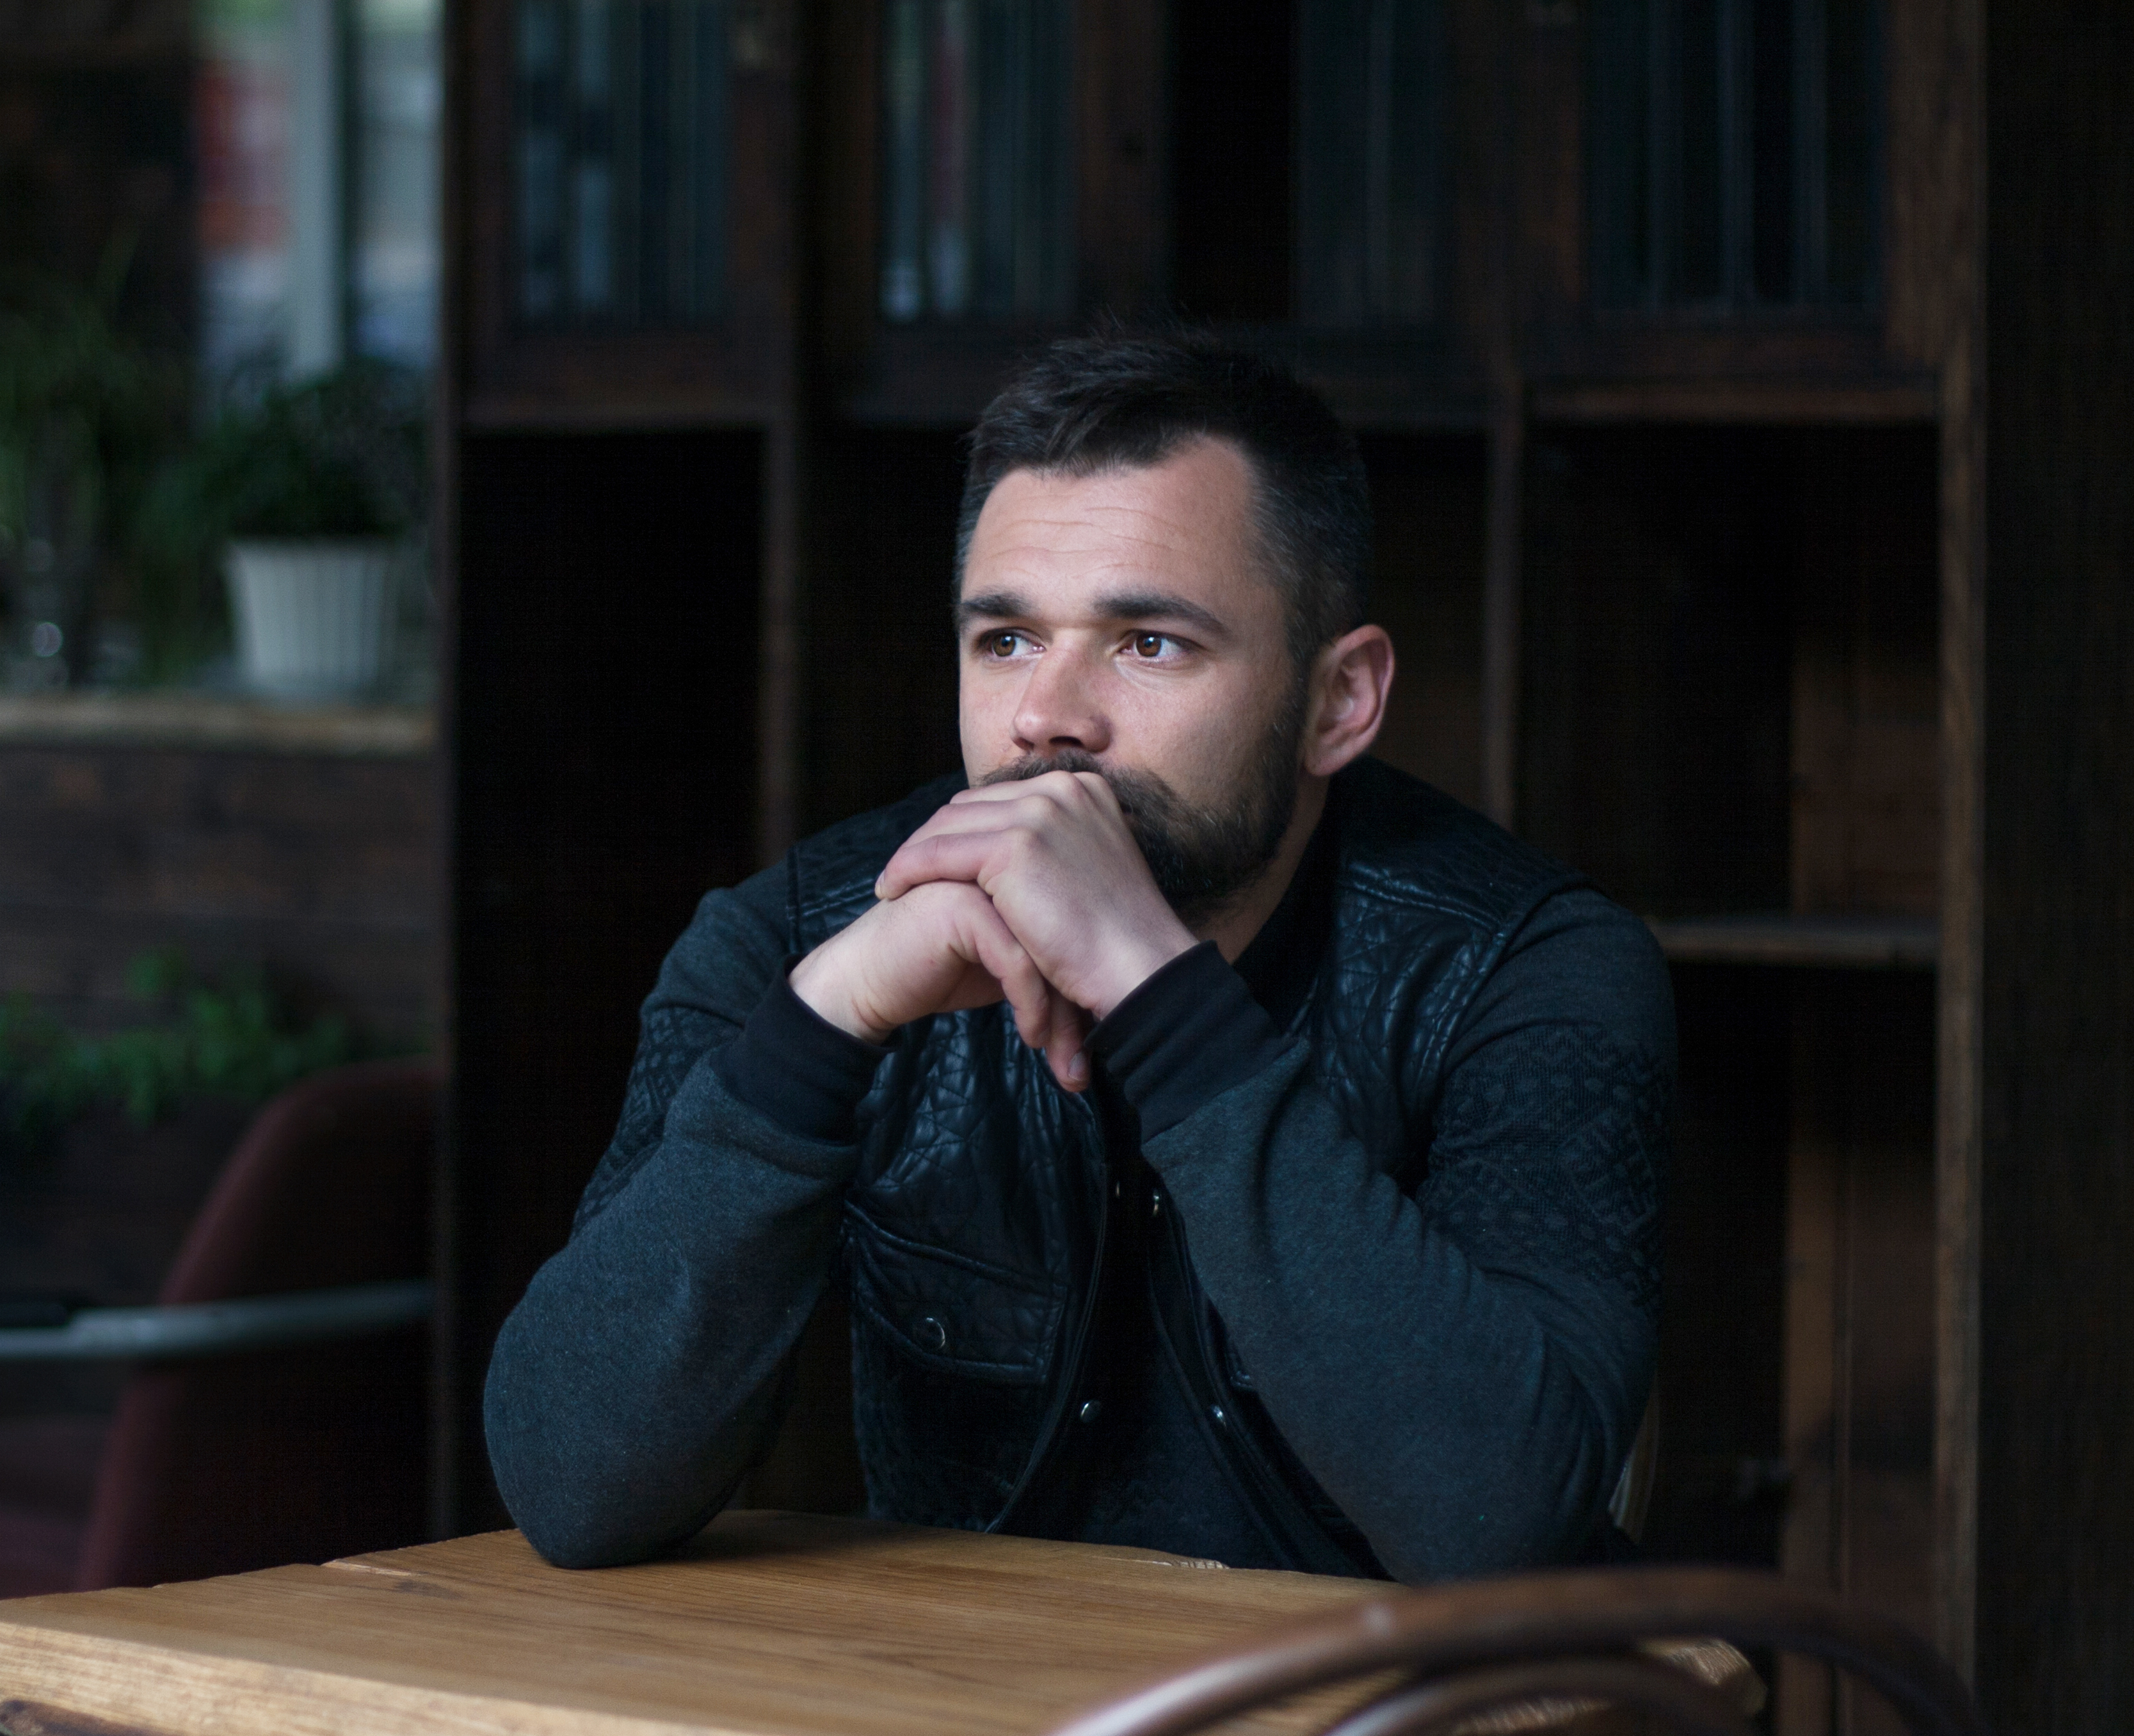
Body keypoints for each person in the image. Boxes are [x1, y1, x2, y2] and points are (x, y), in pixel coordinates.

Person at [483, 330, 1673, 1583]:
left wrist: (1157, 991)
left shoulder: (1525, 972)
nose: (1049, 715)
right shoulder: (791, 940)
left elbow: (1503, 1523)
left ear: (1340, 702)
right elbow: (574, 1485)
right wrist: (824, 1019)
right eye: (1005, 641)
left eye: (1147, 643)